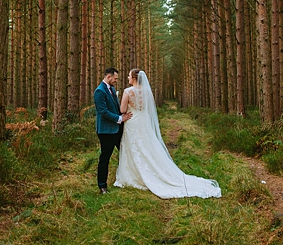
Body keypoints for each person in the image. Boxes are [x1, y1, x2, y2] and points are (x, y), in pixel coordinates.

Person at [114, 68, 221, 198]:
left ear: (134, 78)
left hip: (132, 121)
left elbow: (122, 109)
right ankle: (152, 171)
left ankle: (134, 175)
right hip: (144, 121)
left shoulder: (127, 91)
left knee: (133, 147)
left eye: (129, 75)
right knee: (148, 147)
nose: (128, 78)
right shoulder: (147, 91)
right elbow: (149, 109)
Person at [94, 67, 131, 194]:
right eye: (115, 78)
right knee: (105, 157)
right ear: (108, 77)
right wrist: (120, 118)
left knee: (126, 153)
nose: (116, 81)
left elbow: (115, 107)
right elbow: (103, 112)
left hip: (117, 129)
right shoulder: (99, 91)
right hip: (106, 131)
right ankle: (102, 186)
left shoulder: (112, 89)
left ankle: (128, 179)